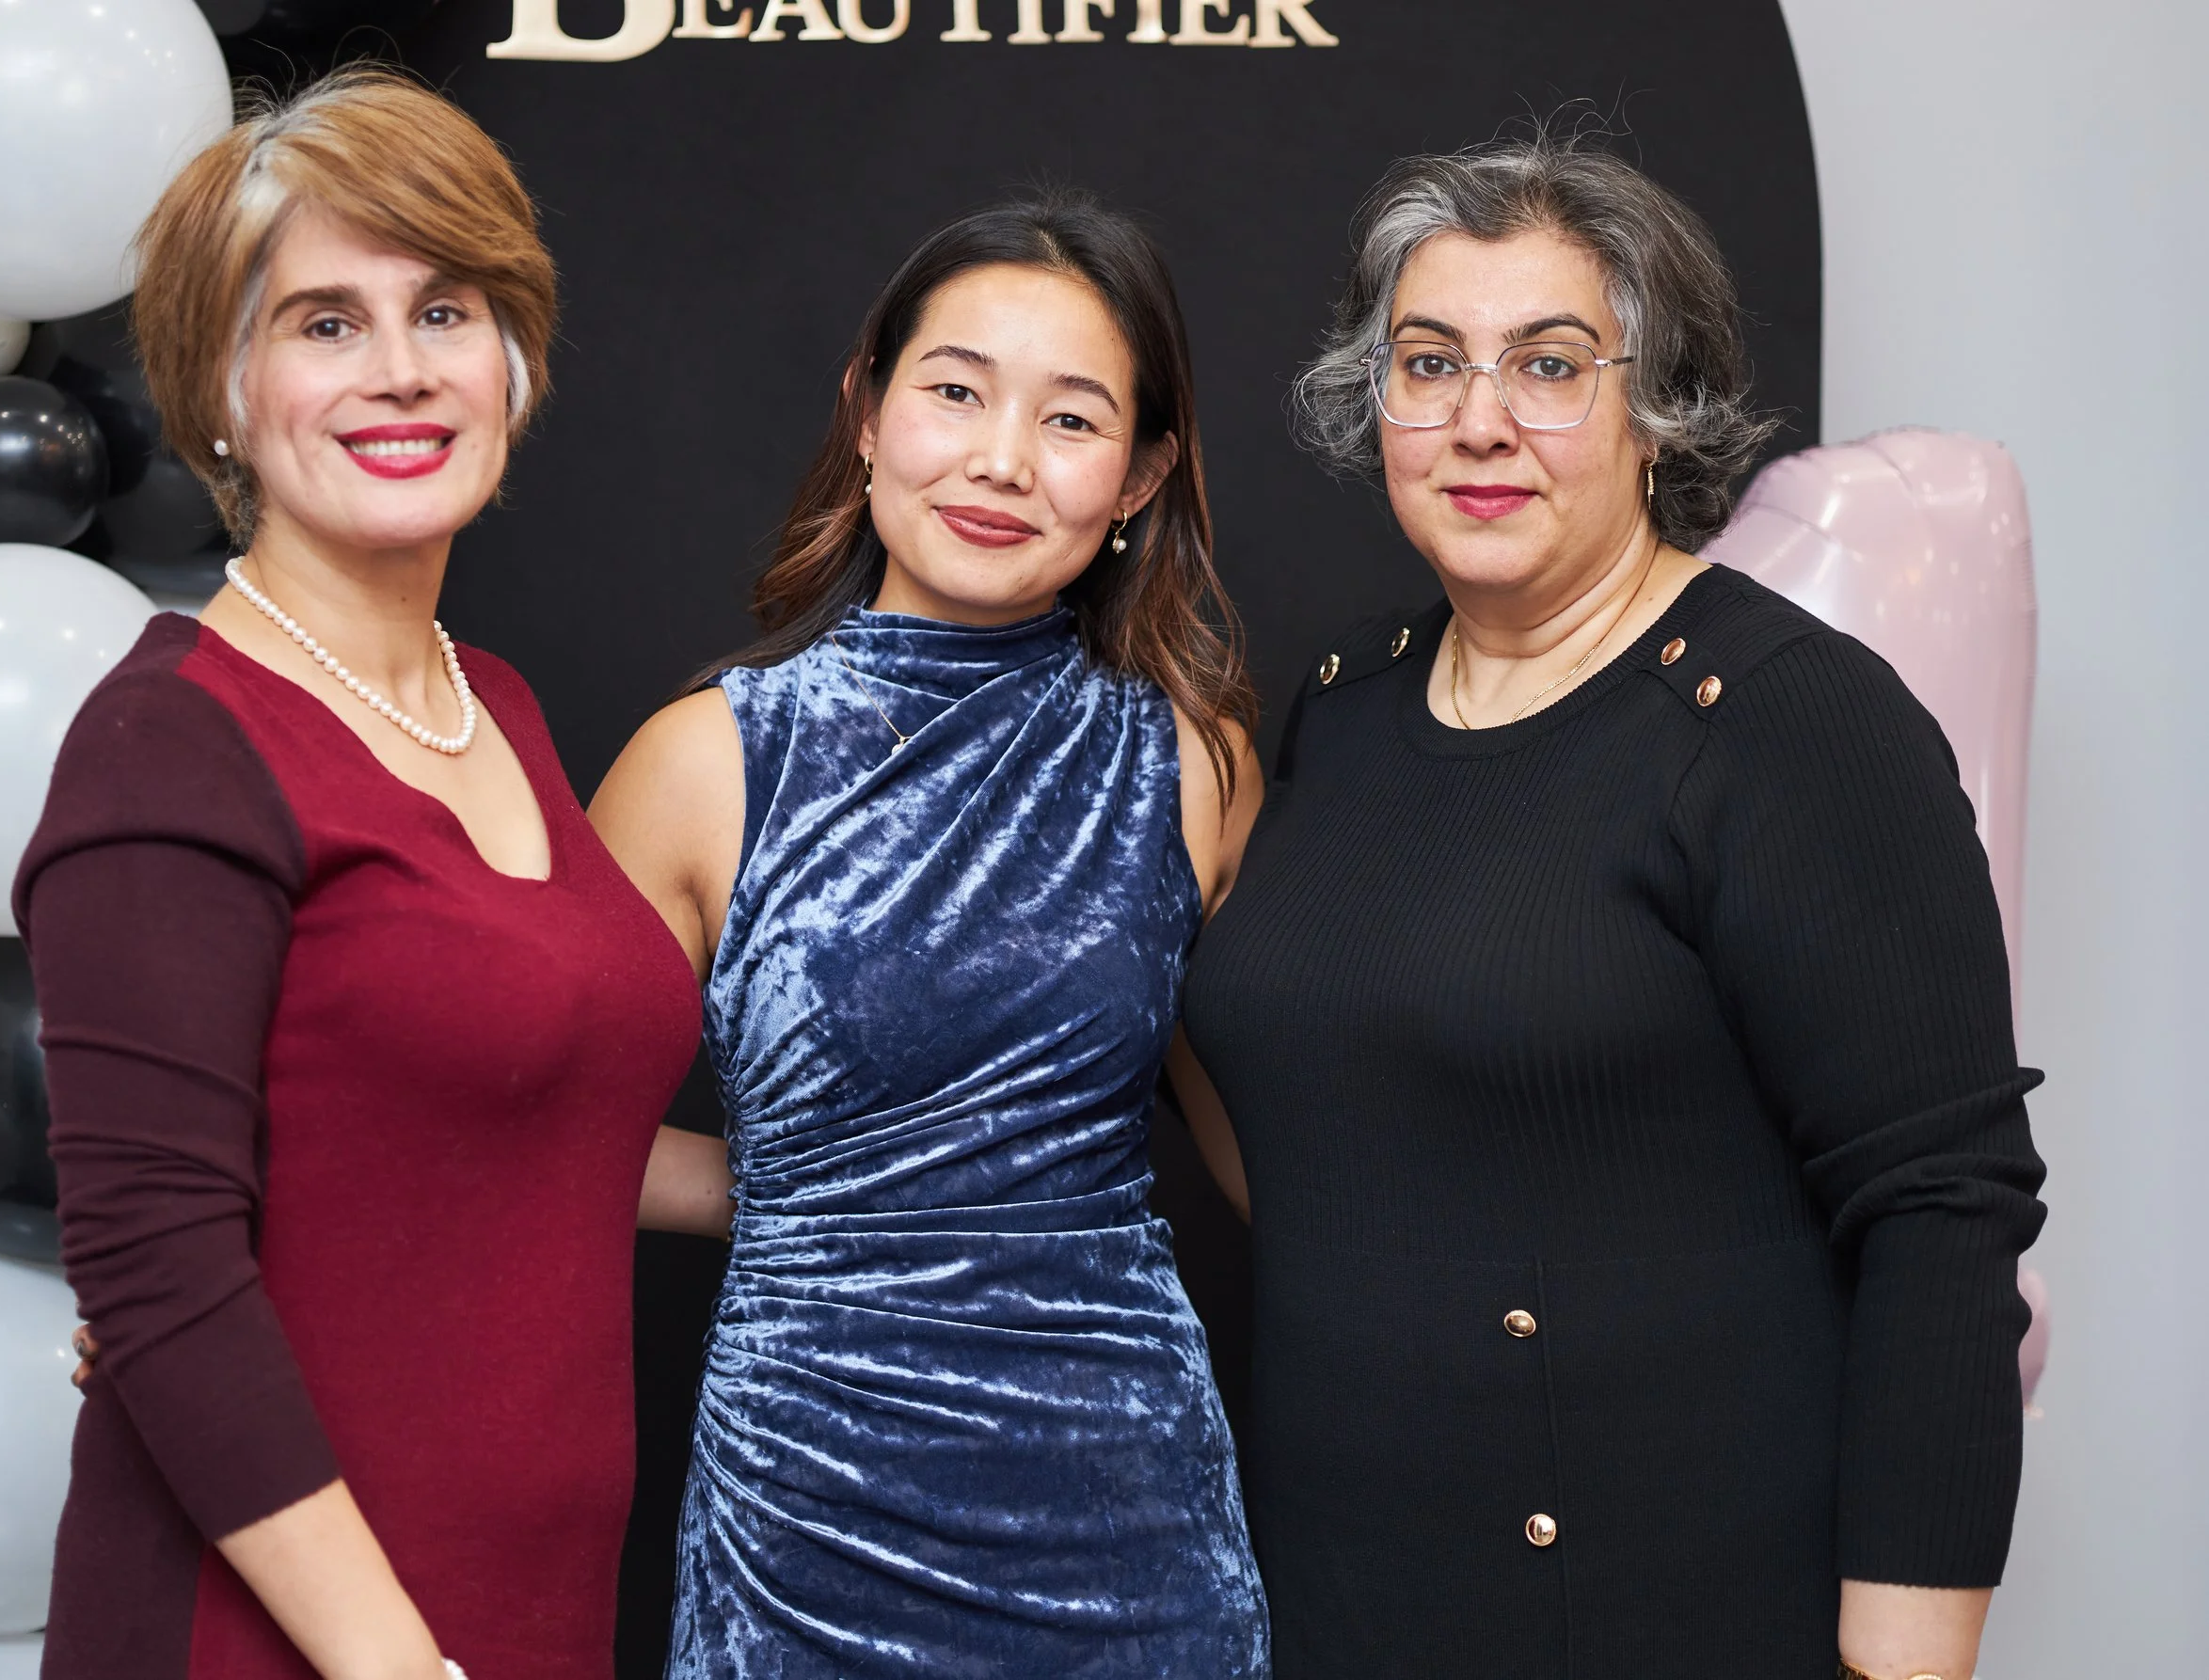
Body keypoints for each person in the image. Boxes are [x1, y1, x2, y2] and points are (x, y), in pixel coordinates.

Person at [1176, 136, 2049, 1680]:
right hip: (1332, 1599)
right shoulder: (1340, 707)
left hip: (1666, 1611)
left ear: (1661, 406)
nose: (1480, 421)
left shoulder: (1792, 723)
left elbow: (1943, 1213)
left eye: (1553, 365)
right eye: (1428, 362)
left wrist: (1902, 1664)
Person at [17, 71, 702, 1680]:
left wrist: (836, 1191)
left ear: (514, 360)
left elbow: (516, 1118)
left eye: (444, 309)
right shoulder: (170, 741)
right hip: (288, 1638)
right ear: (219, 390)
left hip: (521, 1610)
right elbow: (157, 1263)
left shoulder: (493, 704)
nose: (399, 371)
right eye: (322, 321)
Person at [588, 192, 1271, 1677]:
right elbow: (519, 1127)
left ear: (1144, 474)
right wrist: (799, 1201)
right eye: (954, 391)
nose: (1000, 460)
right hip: (811, 1530)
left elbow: (1280, 1139)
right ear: (868, 409)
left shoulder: (1193, 759)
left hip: (1135, 1536)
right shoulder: (704, 760)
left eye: (1073, 420)